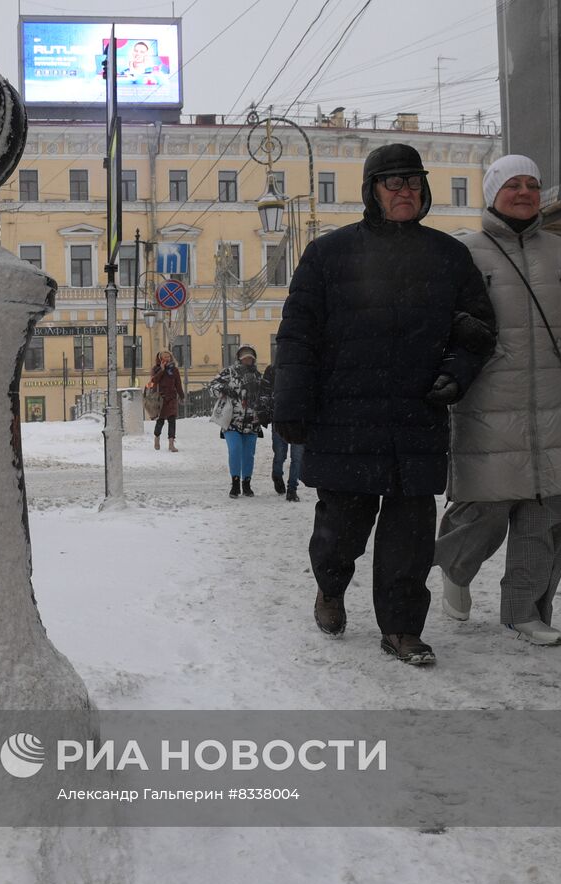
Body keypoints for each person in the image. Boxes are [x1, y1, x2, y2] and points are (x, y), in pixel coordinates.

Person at [273, 143, 497, 666]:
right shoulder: (330, 254)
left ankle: (401, 629)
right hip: (345, 418)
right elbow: (297, 335)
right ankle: (330, 588)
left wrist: (456, 375)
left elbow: (479, 331)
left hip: (416, 419)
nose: (405, 191)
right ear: (372, 191)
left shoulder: (448, 256)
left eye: (414, 182)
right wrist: (291, 405)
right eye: (393, 182)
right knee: (340, 532)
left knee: (411, 538)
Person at [434, 155, 561, 647]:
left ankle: (525, 610)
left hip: (551, 401)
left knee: (555, 505)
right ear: (492, 193)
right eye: (512, 185)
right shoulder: (465, 252)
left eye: (531, 184)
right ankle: (456, 569)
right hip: (486, 402)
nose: (523, 192)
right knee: (484, 509)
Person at [210, 345, 267, 498]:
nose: (247, 359)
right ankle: (235, 483)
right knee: (235, 450)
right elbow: (212, 386)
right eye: (244, 357)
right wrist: (224, 389)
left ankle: (246, 483)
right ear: (239, 358)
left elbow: (264, 395)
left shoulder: (258, 376)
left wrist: (264, 406)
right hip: (232, 421)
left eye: (250, 357)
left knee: (249, 455)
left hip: (252, 421)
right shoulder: (229, 372)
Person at [261, 362, 302, 502]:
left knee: (297, 457)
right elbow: (264, 392)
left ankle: (292, 489)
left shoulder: (304, 368)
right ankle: (277, 475)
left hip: (299, 420)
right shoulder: (273, 369)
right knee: (280, 454)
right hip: (280, 418)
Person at [147, 349, 185, 452]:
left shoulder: (174, 370)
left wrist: (182, 396)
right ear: (160, 358)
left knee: (172, 420)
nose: (167, 359)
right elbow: (154, 380)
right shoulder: (156, 369)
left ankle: (171, 443)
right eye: (165, 357)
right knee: (161, 420)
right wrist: (162, 370)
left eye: (168, 357)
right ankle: (157, 438)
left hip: (171, 398)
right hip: (161, 398)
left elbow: (178, 384)